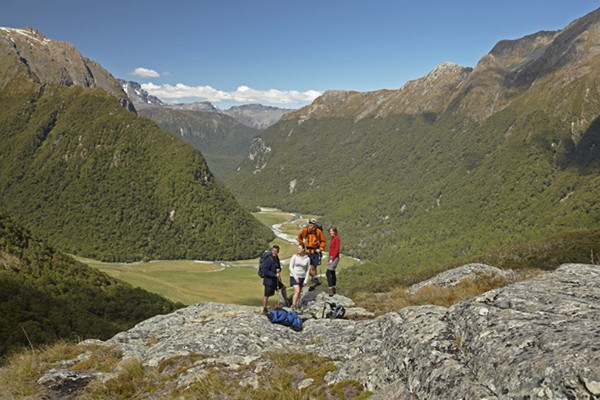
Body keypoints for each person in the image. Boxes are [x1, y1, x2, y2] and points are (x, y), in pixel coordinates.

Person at [297, 218, 326, 290]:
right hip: (308, 251)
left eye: (312, 224)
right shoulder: (305, 230)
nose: (310, 225)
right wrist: (301, 244)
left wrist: (320, 249)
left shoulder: (318, 231)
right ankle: (315, 279)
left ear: (314, 224)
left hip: (315, 252)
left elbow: (323, 241)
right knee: (306, 267)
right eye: (310, 223)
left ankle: (314, 281)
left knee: (313, 267)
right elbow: (299, 236)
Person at [261, 245, 289, 314]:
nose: (274, 252)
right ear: (272, 250)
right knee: (266, 295)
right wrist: (274, 274)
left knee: (283, 287)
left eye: (275, 251)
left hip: (275, 280)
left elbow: (278, 267)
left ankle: (286, 302)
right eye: (273, 251)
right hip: (269, 280)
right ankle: (264, 309)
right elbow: (265, 271)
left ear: (278, 252)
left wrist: (279, 270)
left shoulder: (276, 258)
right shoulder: (268, 259)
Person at [289, 244, 311, 310]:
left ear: (303, 249)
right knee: (297, 291)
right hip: (294, 276)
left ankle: (297, 305)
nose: (298, 249)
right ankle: (293, 305)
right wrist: (295, 277)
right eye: (297, 248)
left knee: (299, 292)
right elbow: (291, 267)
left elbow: (307, 270)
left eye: (299, 248)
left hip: (302, 277)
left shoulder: (307, 259)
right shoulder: (294, 257)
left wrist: (306, 280)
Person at [326, 227, 340, 296]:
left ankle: (330, 289)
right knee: (332, 272)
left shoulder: (336, 238)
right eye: (330, 231)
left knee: (328, 273)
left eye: (331, 231)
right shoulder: (332, 238)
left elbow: (337, 250)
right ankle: (334, 288)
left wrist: (332, 259)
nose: (330, 232)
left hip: (334, 257)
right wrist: (329, 258)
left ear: (335, 231)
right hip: (331, 257)